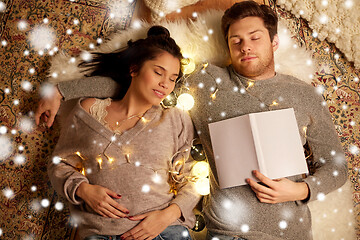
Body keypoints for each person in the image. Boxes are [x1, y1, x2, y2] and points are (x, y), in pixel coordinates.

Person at [37, 2, 348, 239]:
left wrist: (299, 191)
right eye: (236, 40)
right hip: (227, 231)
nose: (245, 46)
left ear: (274, 42)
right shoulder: (205, 82)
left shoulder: (304, 94)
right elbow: (136, 87)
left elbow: (336, 167)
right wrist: (62, 90)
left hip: (288, 233)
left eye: (255, 37)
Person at [46, 26, 201, 240]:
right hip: (101, 233)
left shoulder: (176, 119)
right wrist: (83, 189)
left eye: (173, 78)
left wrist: (166, 216)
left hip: (164, 232)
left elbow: (194, 179)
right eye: (158, 72)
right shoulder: (90, 110)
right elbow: (59, 163)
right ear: (134, 69)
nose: (165, 84)